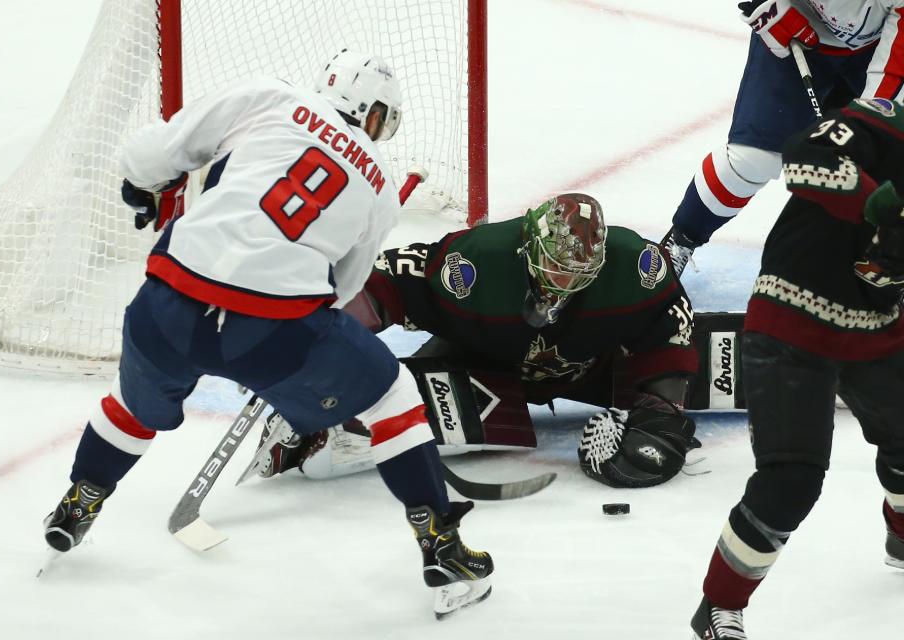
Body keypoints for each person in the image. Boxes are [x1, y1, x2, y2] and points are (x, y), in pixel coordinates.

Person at [41, 50, 493, 618]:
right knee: (391, 394)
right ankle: (440, 545)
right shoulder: (378, 179)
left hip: (169, 301)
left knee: (132, 403)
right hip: (277, 328)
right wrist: (284, 355)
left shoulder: (269, 96)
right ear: (375, 114)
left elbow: (152, 155)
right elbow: (342, 290)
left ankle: (81, 500)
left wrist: (142, 186)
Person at [250, 193, 703, 489]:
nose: (564, 283)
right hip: (484, 366)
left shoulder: (635, 263)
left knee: (664, 421)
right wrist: (328, 325)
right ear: (529, 246)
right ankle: (321, 418)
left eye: (580, 275)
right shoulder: (474, 261)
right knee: (383, 389)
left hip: (590, 364)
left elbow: (670, 312)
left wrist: (664, 403)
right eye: (557, 268)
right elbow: (392, 280)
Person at [690, 97, 904, 639]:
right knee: (791, 479)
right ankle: (719, 606)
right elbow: (804, 156)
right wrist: (878, 204)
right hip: (792, 315)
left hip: (879, 328)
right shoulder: (883, 121)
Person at [663, 0, 904, 276]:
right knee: (753, 160)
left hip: (880, 44)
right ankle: (682, 239)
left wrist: (869, 130)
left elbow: (893, 74)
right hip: (795, 27)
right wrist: (767, 6)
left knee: (888, 153)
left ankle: (881, 267)